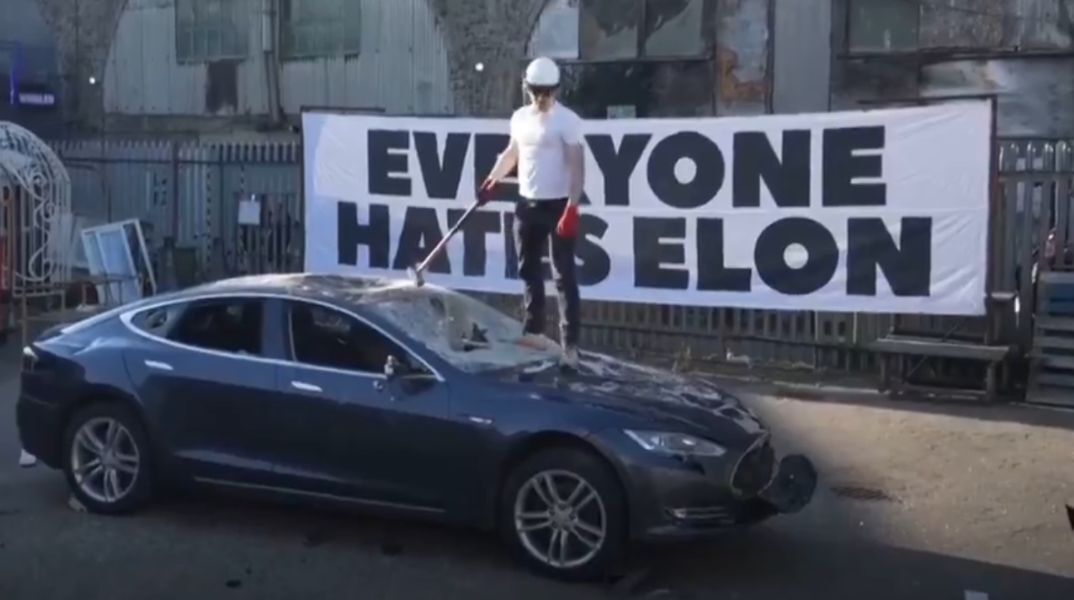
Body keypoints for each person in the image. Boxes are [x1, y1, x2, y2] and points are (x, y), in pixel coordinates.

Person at [481, 56, 585, 369]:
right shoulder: (520, 118)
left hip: (558, 206)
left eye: (548, 91)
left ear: (556, 90)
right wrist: (492, 179)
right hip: (528, 204)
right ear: (527, 88)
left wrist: (572, 207)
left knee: (563, 276)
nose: (542, 97)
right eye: (537, 91)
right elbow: (513, 152)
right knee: (528, 271)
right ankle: (534, 331)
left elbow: (577, 166)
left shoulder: (567, 121)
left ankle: (570, 347)